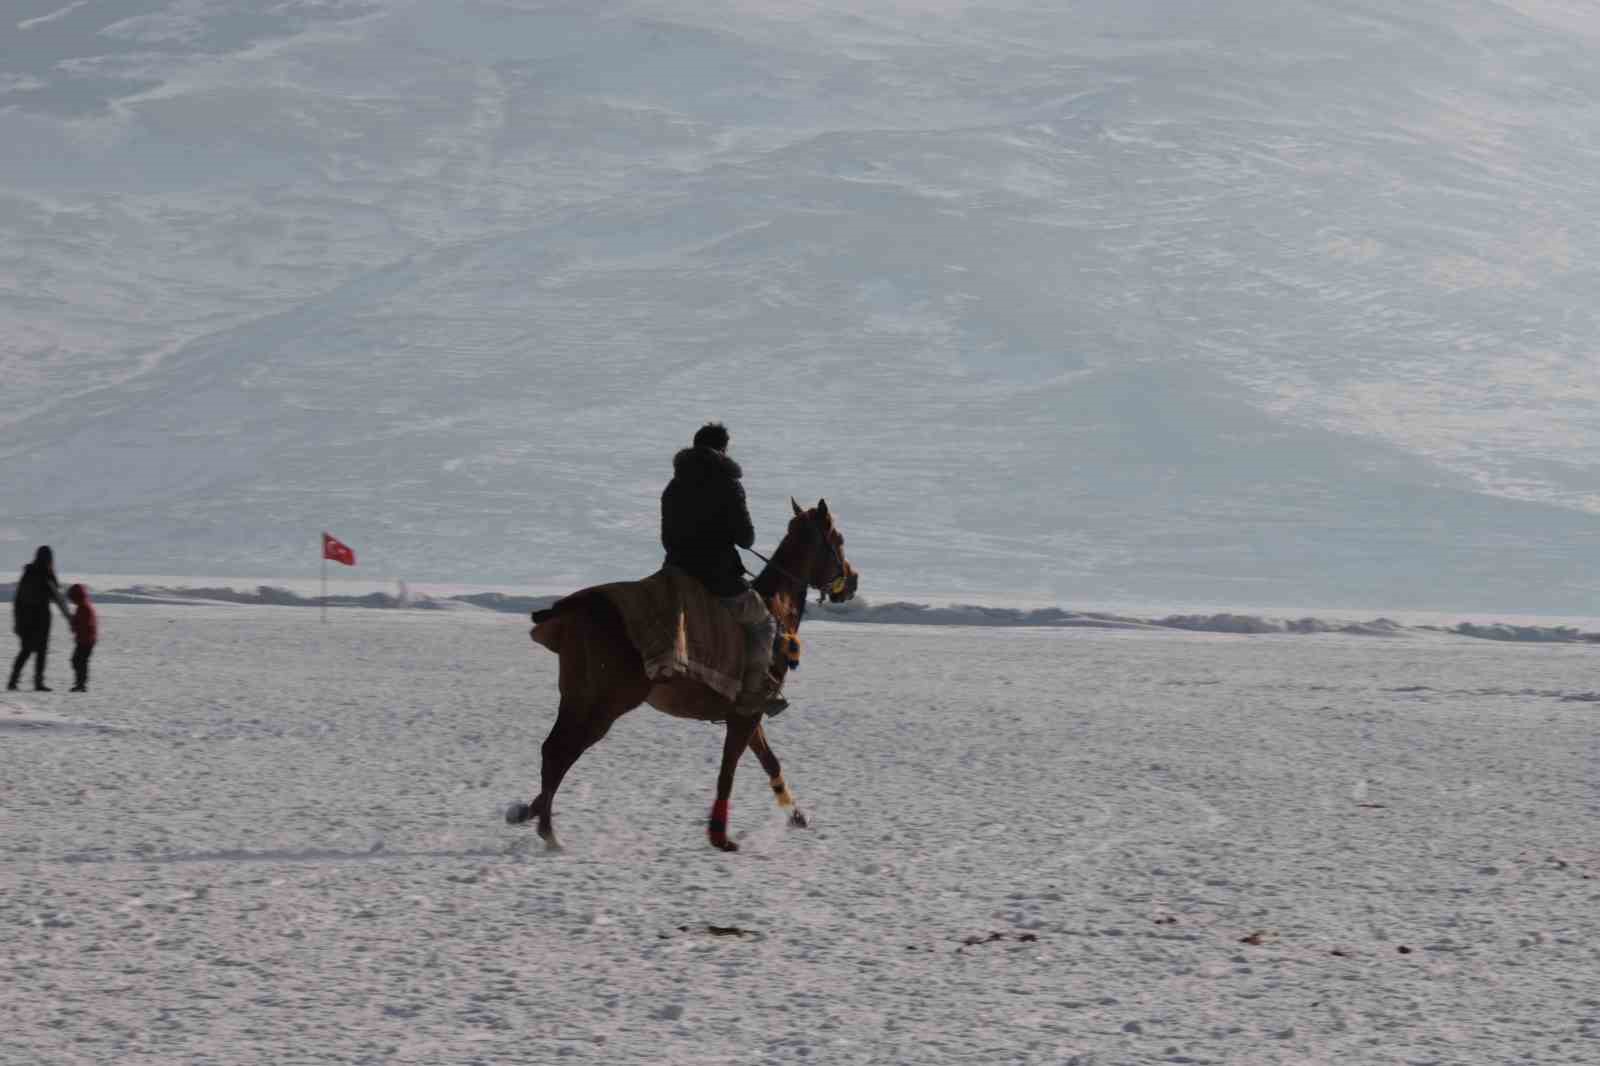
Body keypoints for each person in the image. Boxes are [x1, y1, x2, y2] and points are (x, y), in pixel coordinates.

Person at [661, 423, 787, 714]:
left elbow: (666, 538)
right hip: (715, 576)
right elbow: (746, 538)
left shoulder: (674, 484)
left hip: (675, 573)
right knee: (763, 623)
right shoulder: (728, 484)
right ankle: (752, 694)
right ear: (723, 449)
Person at [9, 546, 69, 692]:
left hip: (26, 618)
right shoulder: (47, 574)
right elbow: (58, 597)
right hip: (41, 618)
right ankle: (37, 682)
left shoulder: (28, 573)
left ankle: (13, 680)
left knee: (26, 650)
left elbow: (18, 600)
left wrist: (17, 621)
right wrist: (69, 617)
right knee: (40, 650)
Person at [66, 584, 98, 693]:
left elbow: (84, 625)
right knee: (78, 661)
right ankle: (80, 683)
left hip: (86, 640)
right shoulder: (82, 606)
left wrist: (74, 625)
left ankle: (81, 684)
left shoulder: (84, 607)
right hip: (84, 639)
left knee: (79, 661)